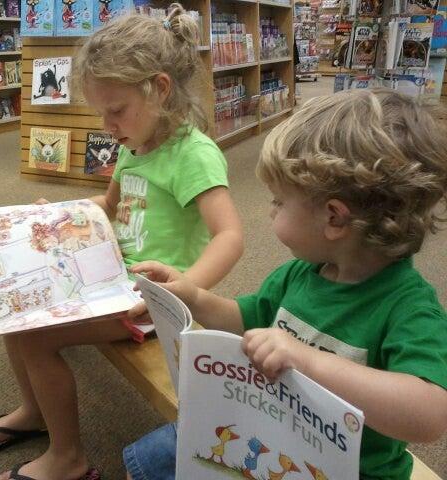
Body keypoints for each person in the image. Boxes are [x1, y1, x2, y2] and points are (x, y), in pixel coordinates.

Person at [0, 5, 245, 480]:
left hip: (150, 299)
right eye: (101, 112)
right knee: (16, 308)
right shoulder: (134, 145)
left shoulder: (193, 155)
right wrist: (58, 215)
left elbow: (231, 235)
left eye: (116, 110)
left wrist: (185, 289)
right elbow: (110, 205)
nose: (107, 124)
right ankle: (35, 412)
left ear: (160, 88)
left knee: (36, 338)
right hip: (112, 273)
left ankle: (67, 459)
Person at [124, 88, 447, 480]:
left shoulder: (409, 306)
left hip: (348, 471)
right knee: (157, 454)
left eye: (278, 201)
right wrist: (193, 296)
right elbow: (245, 318)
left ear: (334, 218)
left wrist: (307, 360)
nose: (269, 210)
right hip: (274, 434)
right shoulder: (300, 274)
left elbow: (429, 414)